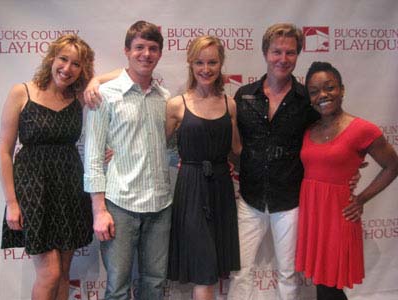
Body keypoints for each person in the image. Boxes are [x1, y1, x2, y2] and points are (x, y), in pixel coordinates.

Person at [227, 23, 320, 300]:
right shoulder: (244, 95)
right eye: (277, 51)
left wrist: (347, 164)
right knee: (240, 270)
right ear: (265, 53)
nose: (283, 59)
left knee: (288, 272)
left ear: (298, 55)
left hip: (290, 200)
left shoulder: (307, 100)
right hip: (249, 198)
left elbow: (329, 134)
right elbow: (229, 141)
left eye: (290, 53)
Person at [0, 34, 95, 300]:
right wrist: (12, 202)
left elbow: (117, 75)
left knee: (64, 272)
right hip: (33, 191)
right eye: (63, 59)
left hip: (69, 189)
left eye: (77, 64)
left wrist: (95, 80)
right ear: (52, 58)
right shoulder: (22, 92)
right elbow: (4, 151)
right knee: (50, 273)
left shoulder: (78, 98)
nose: (67, 68)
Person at [83, 20, 172, 300]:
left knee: (155, 284)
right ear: (127, 51)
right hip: (119, 205)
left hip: (160, 206)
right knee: (118, 288)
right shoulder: (104, 96)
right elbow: (94, 156)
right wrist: (99, 210)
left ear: (160, 53)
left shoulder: (165, 98)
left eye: (153, 48)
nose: (146, 54)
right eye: (139, 48)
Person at [295, 61, 398, 300]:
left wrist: (361, 199)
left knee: (330, 285)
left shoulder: (362, 129)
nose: (323, 95)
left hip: (339, 214)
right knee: (322, 283)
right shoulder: (309, 129)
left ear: (342, 89)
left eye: (329, 87)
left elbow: (393, 166)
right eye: (314, 91)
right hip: (313, 213)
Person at [165, 35, 241, 300]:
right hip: (191, 187)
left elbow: (237, 151)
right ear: (190, 63)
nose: (206, 69)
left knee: (212, 265)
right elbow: (154, 149)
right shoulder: (176, 105)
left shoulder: (230, 104)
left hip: (221, 187)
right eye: (199, 62)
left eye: (212, 62)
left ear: (221, 64)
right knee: (204, 266)